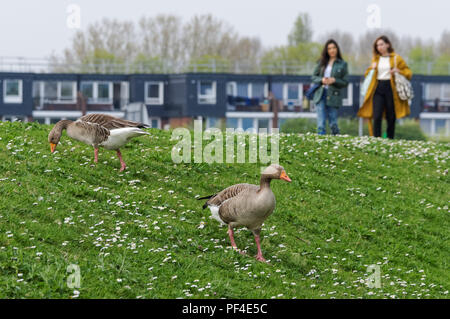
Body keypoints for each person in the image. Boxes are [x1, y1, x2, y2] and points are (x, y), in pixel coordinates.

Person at [358, 35, 412, 139]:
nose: (379, 47)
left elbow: (408, 73)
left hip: (391, 88)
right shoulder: (376, 59)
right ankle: (376, 138)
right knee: (376, 115)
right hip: (377, 87)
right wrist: (372, 68)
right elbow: (367, 74)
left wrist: (398, 70)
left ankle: (390, 138)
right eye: (377, 45)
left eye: (381, 44)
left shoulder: (396, 58)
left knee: (391, 116)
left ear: (387, 44)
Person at [311, 39, 349, 135]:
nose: (332, 50)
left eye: (334, 48)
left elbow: (345, 82)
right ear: (326, 50)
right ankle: (320, 143)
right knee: (321, 121)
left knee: (333, 122)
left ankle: (335, 143)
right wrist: (322, 80)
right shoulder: (321, 62)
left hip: (334, 95)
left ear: (337, 49)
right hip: (321, 94)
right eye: (329, 48)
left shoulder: (342, 64)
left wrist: (335, 80)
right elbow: (313, 77)